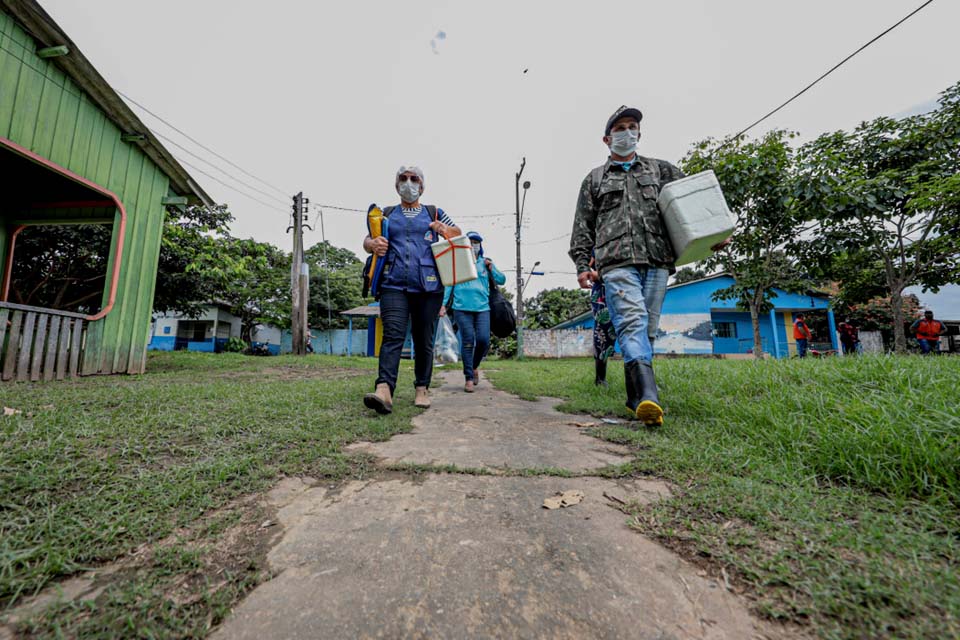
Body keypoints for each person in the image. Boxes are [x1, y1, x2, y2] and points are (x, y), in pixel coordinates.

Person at [569, 105, 728, 426]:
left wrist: (714, 232)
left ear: (639, 133)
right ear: (607, 138)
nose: (627, 132)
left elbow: (693, 202)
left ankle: (634, 397)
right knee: (631, 321)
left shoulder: (660, 170)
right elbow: (582, 224)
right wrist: (581, 263)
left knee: (647, 329)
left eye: (632, 126)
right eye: (620, 128)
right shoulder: (595, 179)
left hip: (658, 259)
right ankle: (648, 395)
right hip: (614, 262)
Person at [361, 165, 460, 414]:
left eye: (413, 179)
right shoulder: (386, 213)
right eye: (403, 179)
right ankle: (384, 389)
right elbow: (366, 240)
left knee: (423, 339)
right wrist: (373, 244)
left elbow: (458, 234)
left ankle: (422, 388)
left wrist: (443, 230)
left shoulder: (434, 212)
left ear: (422, 185)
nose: (408, 183)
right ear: (396, 185)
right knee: (392, 335)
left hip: (428, 286)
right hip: (393, 283)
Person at [441, 232, 506, 392]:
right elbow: (449, 285)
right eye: (471, 242)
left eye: (476, 242)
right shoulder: (458, 263)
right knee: (468, 341)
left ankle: (474, 366)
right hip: (461, 308)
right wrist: (443, 305)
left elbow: (502, 280)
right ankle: (469, 378)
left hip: (483, 308)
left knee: (484, 340)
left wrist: (492, 268)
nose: (474, 245)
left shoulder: (485, 263)